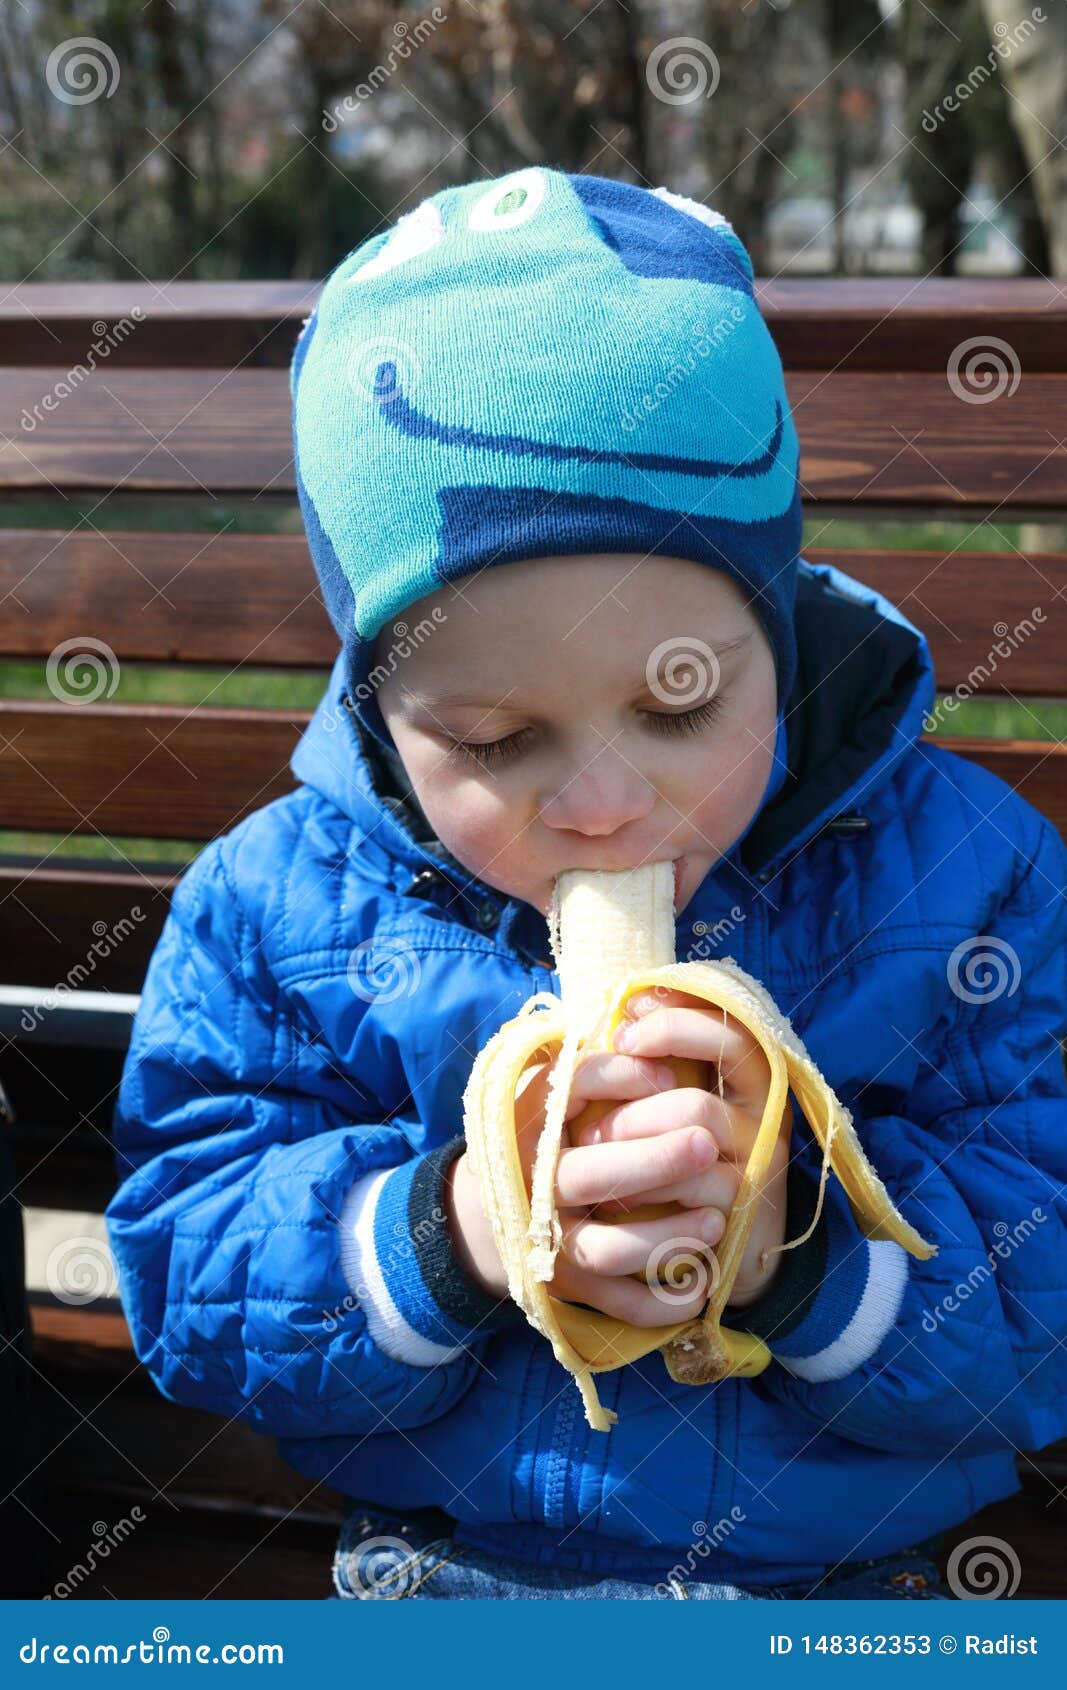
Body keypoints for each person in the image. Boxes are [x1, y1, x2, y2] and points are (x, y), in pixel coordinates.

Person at [106, 169, 1067, 1602]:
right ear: (383, 713)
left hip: (848, 1586)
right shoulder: (281, 906)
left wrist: (795, 1248)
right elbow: (189, 1258)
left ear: (780, 634)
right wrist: (457, 1230)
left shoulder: (970, 883)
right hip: (447, 1577)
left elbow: (1044, 1296)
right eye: (494, 740)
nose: (605, 805)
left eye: (679, 706)